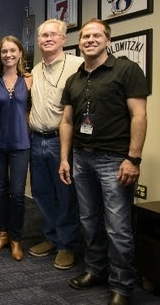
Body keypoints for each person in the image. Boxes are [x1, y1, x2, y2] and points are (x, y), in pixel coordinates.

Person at [59, 18, 148, 305]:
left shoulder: (126, 70)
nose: (90, 40)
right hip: (81, 158)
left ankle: (122, 285)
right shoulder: (74, 79)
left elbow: (139, 115)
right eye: (85, 36)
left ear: (107, 40)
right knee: (89, 220)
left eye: (97, 35)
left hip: (115, 160)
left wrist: (133, 159)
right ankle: (96, 270)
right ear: (80, 42)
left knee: (118, 225)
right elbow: (68, 121)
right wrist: (65, 158)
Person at [27, 19, 83, 270]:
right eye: (43, 36)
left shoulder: (78, 65)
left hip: (62, 141)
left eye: (52, 35)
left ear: (64, 39)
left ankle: (67, 245)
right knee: (41, 192)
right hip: (36, 139)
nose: (47, 39)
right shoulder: (35, 70)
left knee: (66, 194)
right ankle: (51, 237)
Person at [0, 35, 32, 261]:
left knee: (18, 194)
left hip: (21, 144)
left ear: (20, 53)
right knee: (1, 192)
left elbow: (33, 111)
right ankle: (3, 234)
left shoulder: (29, 80)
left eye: (13, 50)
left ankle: (16, 239)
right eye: (4, 51)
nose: (9, 55)